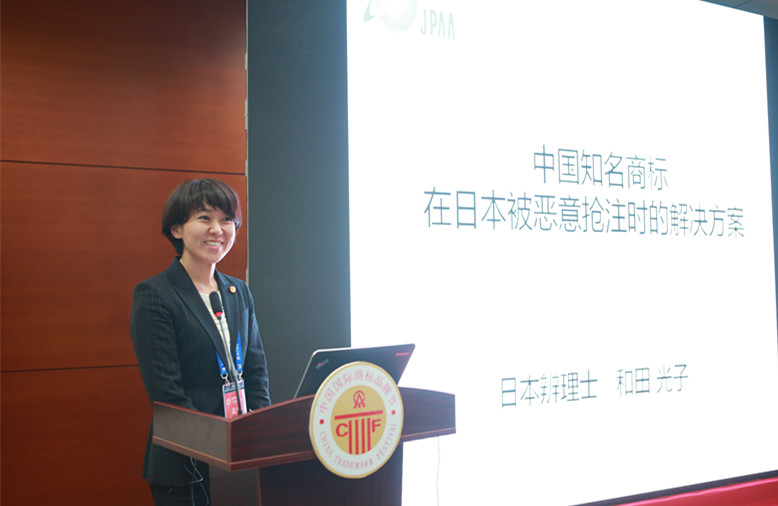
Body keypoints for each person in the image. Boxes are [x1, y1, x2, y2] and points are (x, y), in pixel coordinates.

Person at [130, 178, 271, 505]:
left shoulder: (238, 291)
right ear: (177, 229)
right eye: (204, 218)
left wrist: (261, 434)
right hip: (187, 466)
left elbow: (256, 371)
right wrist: (218, 445)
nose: (217, 229)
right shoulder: (155, 295)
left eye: (227, 219)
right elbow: (167, 394)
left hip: (241, 457)